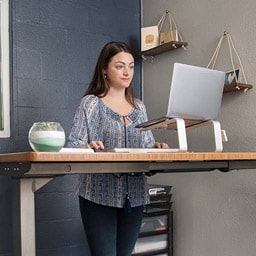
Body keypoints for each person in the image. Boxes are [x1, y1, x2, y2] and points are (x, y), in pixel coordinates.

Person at [67, 41, 169, 256]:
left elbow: (147, 144)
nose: (127, 72)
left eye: (131, 66)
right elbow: (74, 144)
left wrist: (156, 147)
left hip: (136, 196)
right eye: (119, 66)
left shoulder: (139, 107)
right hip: (97, 196)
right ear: (104, 69)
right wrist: (87, 147)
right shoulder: (91, 103)